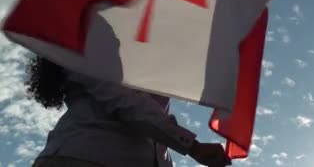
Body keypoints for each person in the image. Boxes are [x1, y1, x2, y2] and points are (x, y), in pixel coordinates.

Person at [26, 56, 231, 167]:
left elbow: (152, 134)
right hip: (82, 159)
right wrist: (193, 147)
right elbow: (125, 102)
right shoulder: (93, 33)